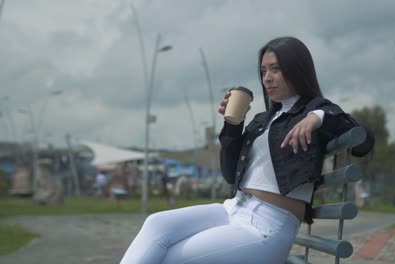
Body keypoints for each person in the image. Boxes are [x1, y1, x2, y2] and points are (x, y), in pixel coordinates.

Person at [120, 36, 374, 264]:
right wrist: (233, 125)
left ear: (297, 69)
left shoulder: (317, 111)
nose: (267, 78)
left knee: (170, 259)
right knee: (156, 224)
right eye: (263, 70)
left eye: (276, 68)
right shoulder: (262, 121)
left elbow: (364, 141)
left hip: (267, 226)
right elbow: (231, 175)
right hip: (233, 208)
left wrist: (318, 117)